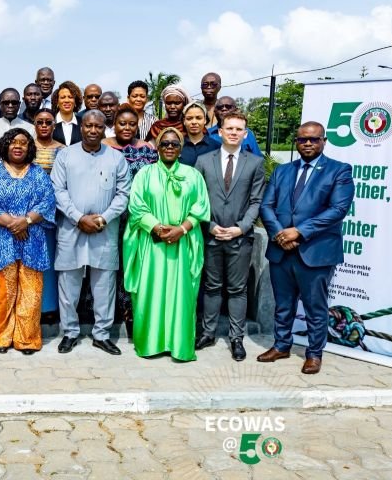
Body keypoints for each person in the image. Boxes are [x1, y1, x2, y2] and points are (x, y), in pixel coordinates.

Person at [257, 122, 354, 374]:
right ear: (296, 142)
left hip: (316, 252)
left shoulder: (339, 171)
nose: (307, 144)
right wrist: (280, 234)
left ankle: (314, 353)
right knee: (283, 304)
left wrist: (299, 231)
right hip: (281, 250)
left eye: (313, 139)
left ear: (324, 141)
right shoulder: (282, 171)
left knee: (315, 307)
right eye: (302, 140)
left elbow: (337, 210)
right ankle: (281, 345)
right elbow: (267, 206)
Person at [123, 127, 210, 361]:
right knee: (150, 292)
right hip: (152, 245)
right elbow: (136, 206)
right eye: (165, 144)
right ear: (158, 148)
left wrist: (181, 229)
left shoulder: (193, 175)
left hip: (183, 245)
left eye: (174, 144)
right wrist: (157, 228)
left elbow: (201, 207)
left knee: (181, 294)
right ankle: (150, 343)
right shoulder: (145, 174)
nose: (170, 148)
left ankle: (178, 344)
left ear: (181, 149)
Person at [52, 110, 131, 355]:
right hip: (71, 228)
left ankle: (102, 334)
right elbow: (57, 190)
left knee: (104, 285)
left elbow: (124, 194)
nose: (93, 130)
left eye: (98, 126)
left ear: (104, 128)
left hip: (103, 229)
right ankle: (70, 332)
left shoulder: (117, 158)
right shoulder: (65, 155)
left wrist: (103, 218)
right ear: (81, 127)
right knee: (69, 284)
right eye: (88, 126)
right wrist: (78, 218)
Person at [0, 128, 56, 354]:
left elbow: (47, 202)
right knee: (4, 290)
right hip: (2, 239)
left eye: (23, 143)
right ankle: (0, 337)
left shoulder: (38, 173)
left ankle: (27, 339)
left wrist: (27, 221)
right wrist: (13, 223)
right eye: (13, 142)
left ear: (30, 147)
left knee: (31, 292)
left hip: (33, 239)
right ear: (5, 146)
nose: (18, 146)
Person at [194, 111, 265, 361]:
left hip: (239, 237)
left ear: (245, 134)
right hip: (211, 234)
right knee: (211, 287)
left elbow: (257, 200)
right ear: (220, 131)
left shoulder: (255, 163)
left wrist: (242, 227)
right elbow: (197, 199)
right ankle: (208, 332)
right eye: (229, 128)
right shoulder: (203, 161)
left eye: (239, 129)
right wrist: (210, 225)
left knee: (237, 289)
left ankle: (237, 337)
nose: (234, 133)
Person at [102, 104, 158, 330]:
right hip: (108, 216)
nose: (127, 127)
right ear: (113, 124)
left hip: (138, 217)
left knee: (133, 263)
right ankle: (107, 310)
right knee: (108, 264)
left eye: (132, 124)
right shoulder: (103, 147)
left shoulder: (147, 150)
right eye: (122, 123)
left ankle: (131, 309)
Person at [32, 108, 66, 318]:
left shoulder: (63, 150)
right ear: (34, 125)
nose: (44, 126)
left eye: (48, 122)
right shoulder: (25, 147)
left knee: (51, 261)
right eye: (40, 122)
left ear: (55, 125)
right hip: (28, 214)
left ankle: (49, 308)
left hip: (54, 213)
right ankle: (31, 307)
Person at [0, 88, 35, 154]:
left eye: (14, 103)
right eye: (6, 103)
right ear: (0, 105)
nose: (10, 106)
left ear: (19, 105)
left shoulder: (31, 128)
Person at [180, 101, 220, 166]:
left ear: (205, 120)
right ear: (184, 121)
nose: (194, 122)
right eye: (189, 118)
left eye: (198, 118)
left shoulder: (216, 147)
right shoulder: (177, 146)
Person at [51, 81, 83, 146]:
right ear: (57, 101)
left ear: (75, 101)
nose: (67, 100)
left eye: (70, 97)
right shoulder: (49, 122)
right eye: (63, 97)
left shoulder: (83, 123)